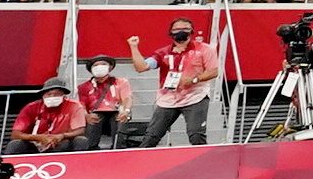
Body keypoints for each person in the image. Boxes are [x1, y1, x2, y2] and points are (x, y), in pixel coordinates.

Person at [130, 18, 219, 146]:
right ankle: (141, 163)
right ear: (170, 32)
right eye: (177, 29)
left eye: (185, 29)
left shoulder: (204, 49)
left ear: (192, 31)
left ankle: (204, 163)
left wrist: (194, 79)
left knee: (196, 135)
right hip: (168, 98)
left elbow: (213, 71)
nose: (181, 31)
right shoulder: (163, 52)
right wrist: (134, 47)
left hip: (195, 97)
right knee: (151, 136)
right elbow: (141, 67)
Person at [4, 79, 89, 154]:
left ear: (63, 95)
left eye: (56, 94)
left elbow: (80, 131)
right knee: (15, 144)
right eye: (49, 94)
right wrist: (38, 138)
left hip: (61, 143)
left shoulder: (74, 106)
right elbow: (15, 134)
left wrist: (62, 136)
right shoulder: (31, 107)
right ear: (43, 95)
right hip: (36, 143)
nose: (52, 97)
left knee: (81, 140)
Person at [79, 55, 133, 149]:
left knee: (120, 119)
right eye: (96, 65)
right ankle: (91, 149)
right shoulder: (83, 87)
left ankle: (119, 149)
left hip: (116, 112)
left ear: (110, 67)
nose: (100, 67)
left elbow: (127, 98)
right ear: (91, 69)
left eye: (103, 64)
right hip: (96, 113)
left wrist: (126, 111)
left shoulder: (121, 82)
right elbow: (81, 104)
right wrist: (86, 115)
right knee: (94, 120)